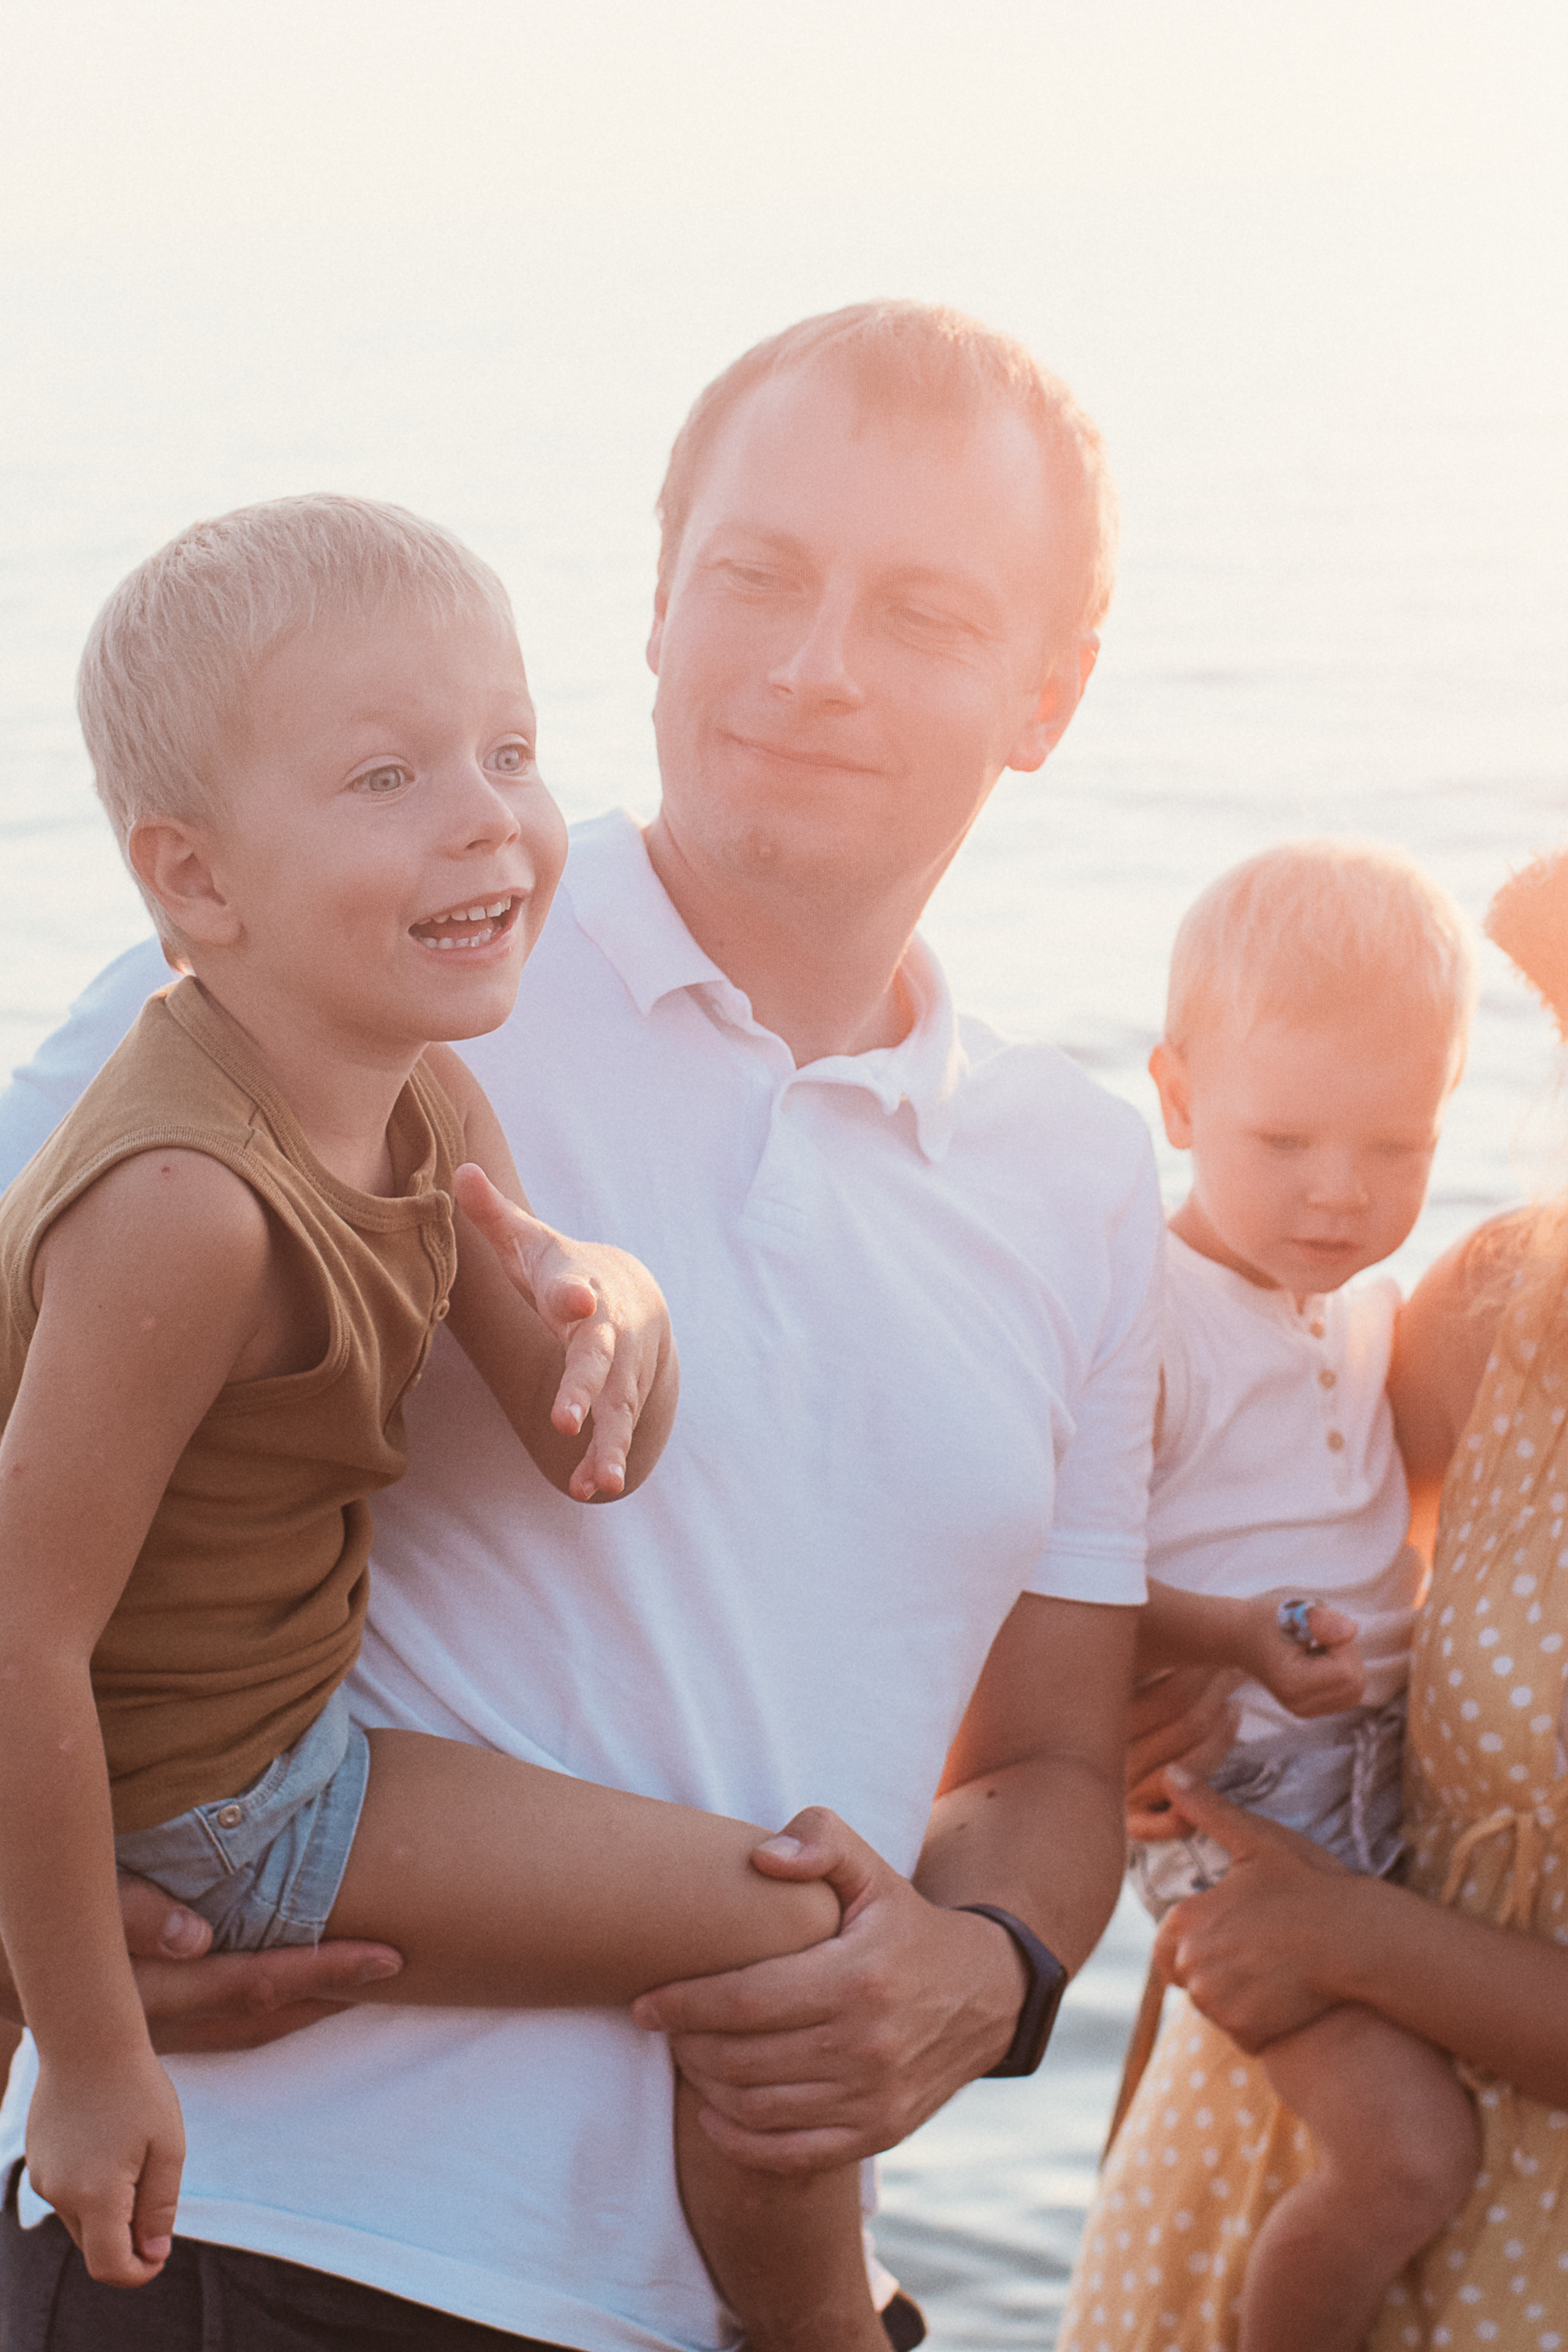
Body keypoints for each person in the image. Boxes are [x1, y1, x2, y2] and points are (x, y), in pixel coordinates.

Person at [0, 301, 1164, 2352]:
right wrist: (43, 1971)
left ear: (1051, 691)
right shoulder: (341, 964)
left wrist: (984, 1972)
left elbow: (1060, 1755)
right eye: (757, 575)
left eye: (920, 607)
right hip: (252, 2248)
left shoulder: (1080, 1175)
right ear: (653, 600)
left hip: (706, 2308)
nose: (813, 665)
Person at [1060, 851, 1568, 2352]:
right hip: (1247, 2067)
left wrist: (1350, 1940)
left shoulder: (1356, 1302)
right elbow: (1054, 1604)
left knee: (1402, 2157)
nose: (1337, 1192)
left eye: (1390, 1146)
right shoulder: (1481, 1313)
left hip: (1496, 2240)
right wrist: (1114, 1756)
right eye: (1286, 1138)